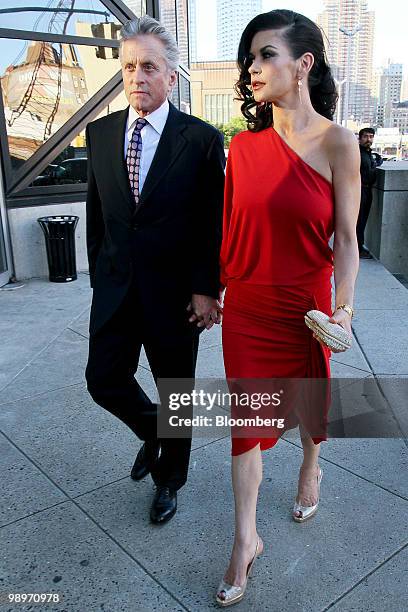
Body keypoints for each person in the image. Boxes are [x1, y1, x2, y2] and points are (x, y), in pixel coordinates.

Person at [216, 9, 360, 606]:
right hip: (249, 306)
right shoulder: (243, 148)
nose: (253, 68)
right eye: (249, 57)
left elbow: (348, 241)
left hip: (306, 307)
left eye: (265, 54)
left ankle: (309, 468)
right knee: (246, 425)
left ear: (303, 64)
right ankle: (244, 537)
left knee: (308, 398)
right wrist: (213, 291)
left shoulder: (338, 142)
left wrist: (343, 313)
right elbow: (227, 227)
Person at [85, 16, 225, 525]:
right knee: (103, 380)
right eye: (128, 67)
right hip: (117, 288)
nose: (137, 76)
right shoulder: (99, 134)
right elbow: (96, 214)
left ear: (171, 76)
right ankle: (155, 433)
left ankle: (170, 479)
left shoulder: (201, 140)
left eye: (149, 66)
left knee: (177, 392)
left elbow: (212, 222)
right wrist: (100, 277)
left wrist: (207, 289)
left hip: (176, 296)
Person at [357, 127, 383, 258]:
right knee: (359, 220)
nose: (369, 139)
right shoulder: (357, 153)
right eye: (366, 136)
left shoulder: (368, 153)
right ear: (360, 138)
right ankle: (357, 248)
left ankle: (359, 246)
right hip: (359, 190)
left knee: (363, 219)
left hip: (367, 190)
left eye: (371, 136)